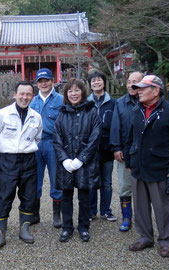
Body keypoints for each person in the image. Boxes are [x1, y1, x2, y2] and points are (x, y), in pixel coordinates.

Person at [124, 75, 169, 258]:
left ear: (156, 90)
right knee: (141, 206)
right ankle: (145, 237)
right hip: (138, 167)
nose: (138, 91)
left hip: (160, 167)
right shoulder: (136, 110)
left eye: (143, 88)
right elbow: (130, 138)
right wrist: (129, 161)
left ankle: (166, 240)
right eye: (138, 88)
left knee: (163, 207)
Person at [0, 81, 43, 252]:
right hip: (7, 161)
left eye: (28, 94)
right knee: (3, 197)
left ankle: (24, 229)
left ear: (32, 97)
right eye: (22, 93)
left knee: (29, 196)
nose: (25, 97)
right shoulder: (3, 114)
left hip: (28, 160)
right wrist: (10, 149)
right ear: (14, 94)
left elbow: (38, 138)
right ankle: (0, 234)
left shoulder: (36, 116)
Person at [53, 79, 101, 243]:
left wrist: (81, 159)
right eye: (70, 91)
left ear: (83, 92)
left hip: (85, 162)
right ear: (66, 94)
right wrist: (64, 159)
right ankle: (67, 227)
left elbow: (95, 138)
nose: (73, 94)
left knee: (84, 196)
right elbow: (57, 138)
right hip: (66, 162)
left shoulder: (92, 111)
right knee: (66, 196)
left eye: (77, 90)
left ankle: (83, 227)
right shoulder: (62, 112)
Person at [110, 71, 144, 232]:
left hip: (145, 152)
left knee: (144, 187)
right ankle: (126, 217)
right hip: (125, 151)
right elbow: (115, 126)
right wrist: (116, 147)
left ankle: (142, 218)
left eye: (135, 82)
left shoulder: (148, 102)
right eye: (129, 82)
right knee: (125, 186)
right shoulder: (120, 103)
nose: (131, 85)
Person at [30, 68, 63, 228]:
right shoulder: (32, 101)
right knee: (34, 179)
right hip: (35, 144)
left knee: (56, 178)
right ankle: (35, 214)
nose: (44, 84)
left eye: (47, 80)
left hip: (53, 143)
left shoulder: (60, 100)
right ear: (37, 84)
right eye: (40, 81)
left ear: (52, 81)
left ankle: (57, 214)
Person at [87, 71, 117, 221]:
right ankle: (92, 211)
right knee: (92, 181)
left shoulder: (113, 103)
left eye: (99, 80)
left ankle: (105, 210)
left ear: (104, 82)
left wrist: (116, 146)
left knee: (107, 181)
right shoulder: (86, 103)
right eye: (93, 81)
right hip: (91, 149)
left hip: (107, 148)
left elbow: (117, 126)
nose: (96, 83)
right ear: (90, 84)